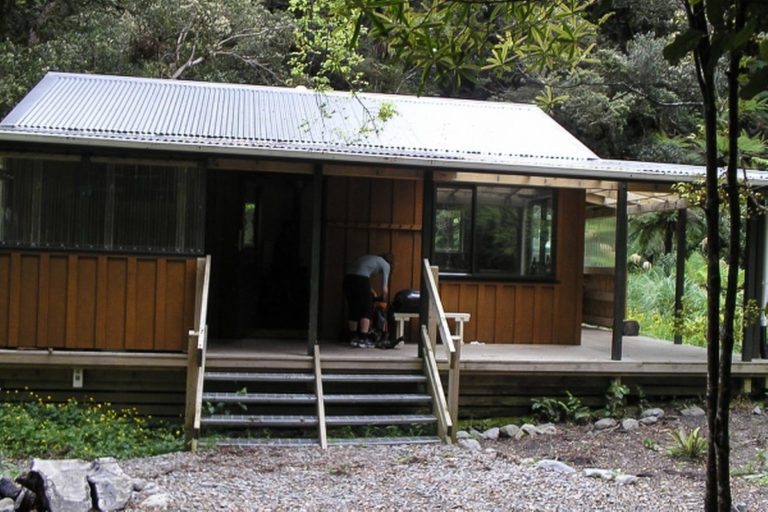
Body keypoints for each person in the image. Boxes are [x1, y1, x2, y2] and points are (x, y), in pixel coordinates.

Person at [343, 253, 393, 348]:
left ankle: (353, 338)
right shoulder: (386, 265)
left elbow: (361, 278)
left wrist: (372, 292)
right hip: (361, 280)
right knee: (366, 308)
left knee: (354, 307)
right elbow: (384, 288)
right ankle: (363, 338)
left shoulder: (372, 259)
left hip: (348, 279)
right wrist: (384, 300)